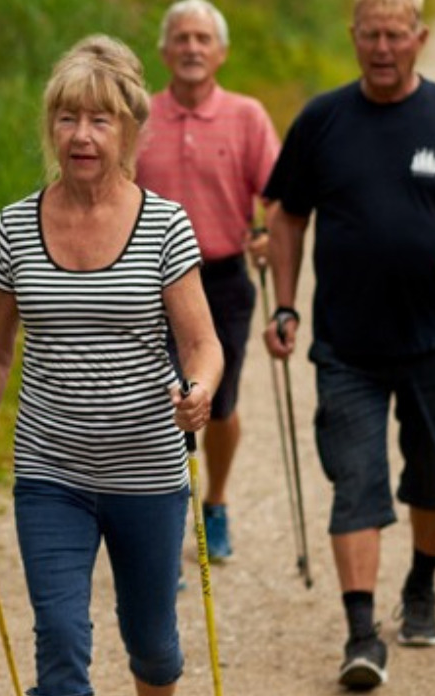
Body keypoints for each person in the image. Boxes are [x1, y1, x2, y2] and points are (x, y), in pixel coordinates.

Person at [0, 34, 223, 696]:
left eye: (99, 120)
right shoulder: (15, 227)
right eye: (67, 118)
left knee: (151, 639)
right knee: (61, 637)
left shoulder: (164, 226)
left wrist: (199, 389)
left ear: (130, 129)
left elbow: (202, 343)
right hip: (51, 473)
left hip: (148, 471)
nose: (81, 136)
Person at [262, 0, 435, 691]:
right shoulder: (322, 119)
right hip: (346, 343)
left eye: (394, 35)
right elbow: (286, 215)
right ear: (353, 38)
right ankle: (361, 634)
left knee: (433, 477)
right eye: (369, 35)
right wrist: (285, 304)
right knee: (356, 482)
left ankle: (422, 584)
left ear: (419, 38)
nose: (381, 47)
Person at [135, 0, 281, 562]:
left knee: (216, 403)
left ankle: (215, 503)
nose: (192, 48)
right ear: (164, 51)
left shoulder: (247, 116)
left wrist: (267, 234)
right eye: (182, 38)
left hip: (222, 279)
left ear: (220, 52)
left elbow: (278, 195)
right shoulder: (139, 117)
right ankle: (164, 527)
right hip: (146, 284)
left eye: (203, 39)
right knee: (156, 406)